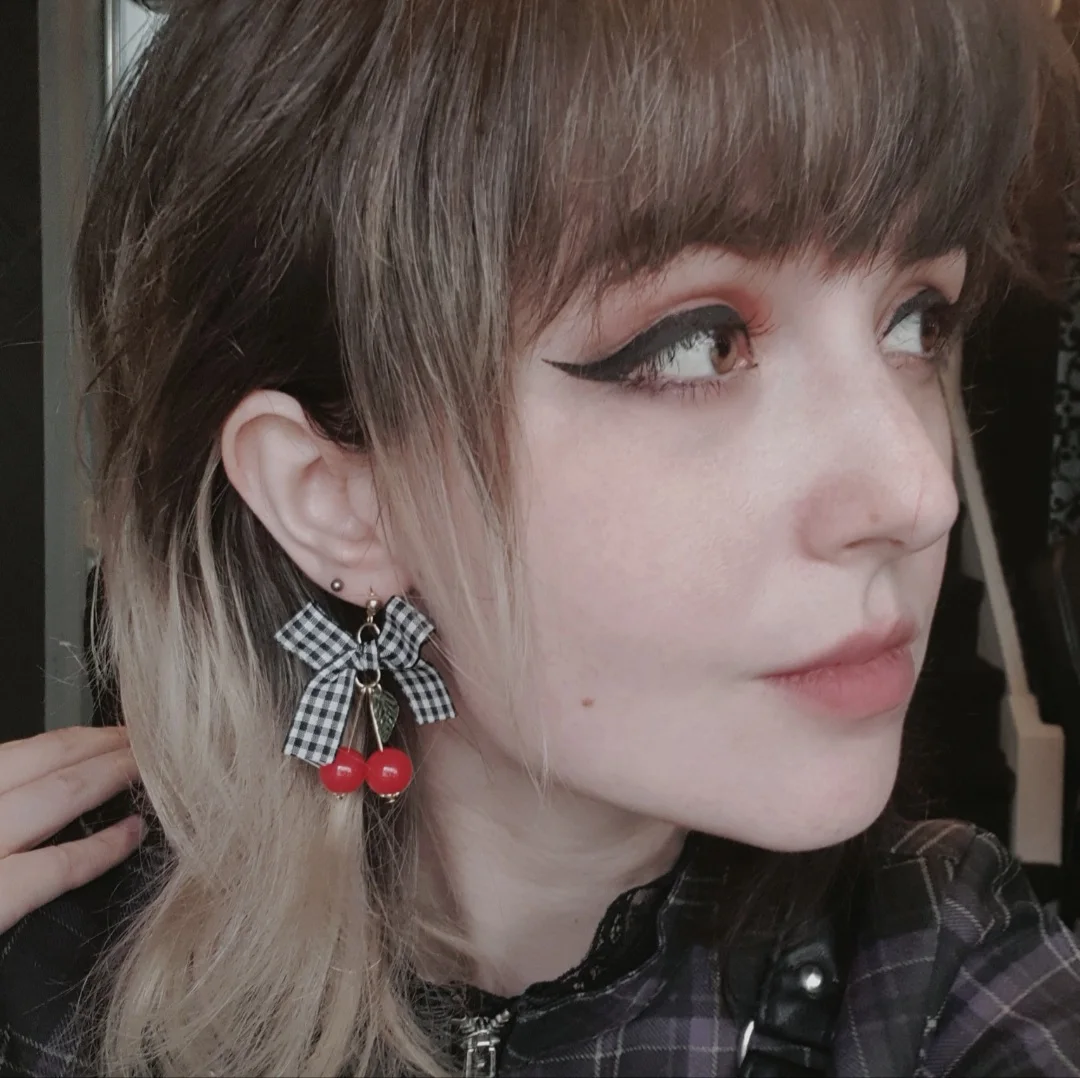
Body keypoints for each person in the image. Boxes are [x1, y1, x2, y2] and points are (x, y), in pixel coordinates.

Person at [3, 0, 1080, 1074]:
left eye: (915, 320)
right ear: (335, 498)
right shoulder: (54, 984)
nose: (917, 493)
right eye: (700, 343)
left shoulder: (942, 981)